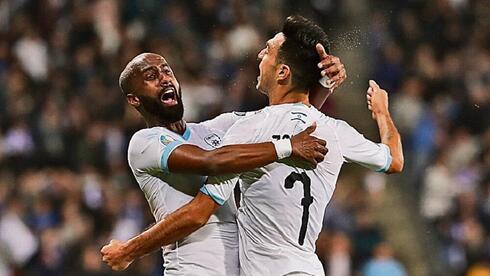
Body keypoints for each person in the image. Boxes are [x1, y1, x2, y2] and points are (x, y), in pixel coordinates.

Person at [101, 15, 403, 276]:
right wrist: (130, 250)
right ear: (134, 100)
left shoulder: (222, 128)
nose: (164, 78)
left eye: (167, 70)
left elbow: (288, 118)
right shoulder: (144, 143)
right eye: (151, 77)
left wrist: (320, 82)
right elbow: (210, 167)